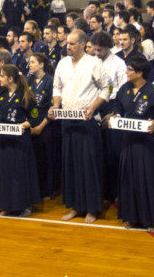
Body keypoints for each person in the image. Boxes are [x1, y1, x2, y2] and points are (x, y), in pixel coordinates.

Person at [106, 55, 154, 231]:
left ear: (140, 73)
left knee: (148, 179)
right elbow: (117, 106)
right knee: (129, 178)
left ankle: (153, 219)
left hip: (148, 144)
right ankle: (132, 217)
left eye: (129, 70)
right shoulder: (125, 89)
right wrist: (116, 115)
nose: (126, 72)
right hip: (128, 142)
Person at [53, 30, 110, 223]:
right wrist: (55, 105)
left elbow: (106, 88)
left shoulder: (94, 62)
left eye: (72, 44)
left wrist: (93, 107)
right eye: (67, 43)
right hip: (67, 119)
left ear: (83, 44)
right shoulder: (62, 63)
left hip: (87, 121)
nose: (67, 46)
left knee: (89, 165)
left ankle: (92, 208)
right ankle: (76, 206)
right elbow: (57, 87)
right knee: (71, 164)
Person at [0, 64, 41, 216]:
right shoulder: (1, 95)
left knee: (19, 173)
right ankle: (7, 205)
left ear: (10, 78)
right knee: (5, 173)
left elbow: (34, 118)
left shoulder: (27, 96)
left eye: (1, 76)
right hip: (3, 141)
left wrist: (21, 126)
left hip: (19, 142)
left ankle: (25, 206)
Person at [27, 52, 59, 199]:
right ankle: (36, 189)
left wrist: (41, 126)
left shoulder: (50, 81)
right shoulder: (29, 80)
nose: (29, 65)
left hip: (46, 126)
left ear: (41, 64)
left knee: (47, 158)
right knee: (34, 158)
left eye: (33, 62)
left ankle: (49, 190)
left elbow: (52, 108)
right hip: (31, 125)